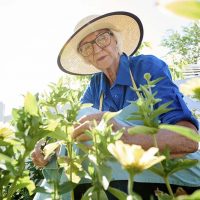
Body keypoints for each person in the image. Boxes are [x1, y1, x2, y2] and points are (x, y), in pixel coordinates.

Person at [32, 11, 200, 199]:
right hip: (121, 174)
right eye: (86, 47)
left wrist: (123, 136)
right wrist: (51, 147)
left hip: (171, 172)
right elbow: (75, 131)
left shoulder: (147, 67)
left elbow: (188, 140)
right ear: (85, 58)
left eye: (101, 39)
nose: (96, 49)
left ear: (116, 40)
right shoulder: (96, 86)